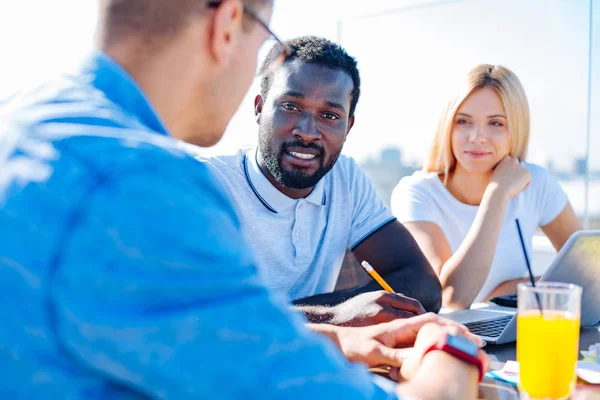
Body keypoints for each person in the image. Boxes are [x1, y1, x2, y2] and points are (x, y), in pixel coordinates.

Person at [0, 0, 487, 398]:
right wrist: (451, 355)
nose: (307, 128)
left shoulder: (28, 124)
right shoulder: (140, 186)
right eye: (265, 35)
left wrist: (341, 336)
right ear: (228, 22)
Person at [197, 36, 442, 326]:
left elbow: (423, 284)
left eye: (329, 115)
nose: (308, 131)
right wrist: (334, 316)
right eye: (290, 107)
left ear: (348, 125)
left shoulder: (344, 177)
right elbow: (202, 319)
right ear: (260, 108)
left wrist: (319, 317)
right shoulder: (206, 185)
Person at [391, 64, 582, 311]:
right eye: (464, 121)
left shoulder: (537, 183)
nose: (477, 137)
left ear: (516, 129)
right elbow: (452, 299)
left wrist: (517, 290)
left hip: (513, 332)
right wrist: (497, 194)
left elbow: (590, 272)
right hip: (447, 337)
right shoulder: (416, 193)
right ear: (448, 127)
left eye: (496, 123)